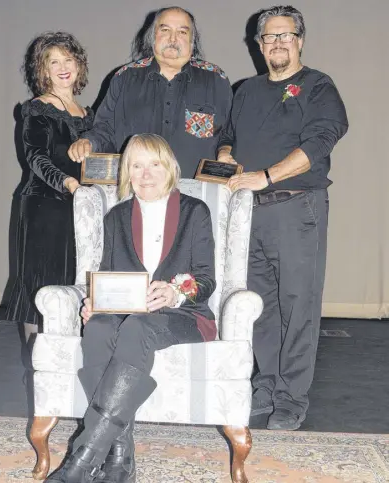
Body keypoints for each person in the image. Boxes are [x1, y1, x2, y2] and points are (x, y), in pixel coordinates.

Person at [45, 134, 216, 483]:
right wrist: (95, 301)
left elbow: (207, 280)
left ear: (168, 167)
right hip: (126, 313)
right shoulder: (118, 216)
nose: (146, 173)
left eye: (154, 164)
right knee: (97, 328)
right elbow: (108, 275)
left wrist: (174, 292)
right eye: (137, 165)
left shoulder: (195, 212)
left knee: (137, 329)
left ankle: (83, 458)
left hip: (183, 316)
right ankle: (120, 458)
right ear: (127, 172)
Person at [218, 5, 348, 430]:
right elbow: (228, 137)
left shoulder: (317, 86)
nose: (277, 43)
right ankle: (267, 386)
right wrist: (225, 157)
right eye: (269, 37)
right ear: (258, 45)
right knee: (260, 309)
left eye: (285, 35)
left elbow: (321, 141)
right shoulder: (246, 90)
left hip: (296, 209)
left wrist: (266, 176)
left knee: (298, 307)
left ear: (300, 40)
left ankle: (292, 399)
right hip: (248, 215)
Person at [68, 6, 232, 178]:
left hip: (196, 192)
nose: (173, 38)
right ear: (153, 36)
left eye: (182, 32)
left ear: (193, 41)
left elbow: (229, 133)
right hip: (136, 188)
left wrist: (225, 151)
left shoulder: (215, 80)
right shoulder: (125, 78)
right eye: (165, 30)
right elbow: (105, 128)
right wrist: (88, 141)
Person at [5, 32, 93, 343]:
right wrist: (68, 183)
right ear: (42, 71)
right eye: (53, 62)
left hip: (79, 208)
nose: (62, 67)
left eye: (68, 60)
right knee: (40, 286)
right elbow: (35, 158)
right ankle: (37, 368)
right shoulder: (37, 109)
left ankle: (64, 362)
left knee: (70, 283)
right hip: (44, 206)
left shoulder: (88, 115)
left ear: (79, 66)